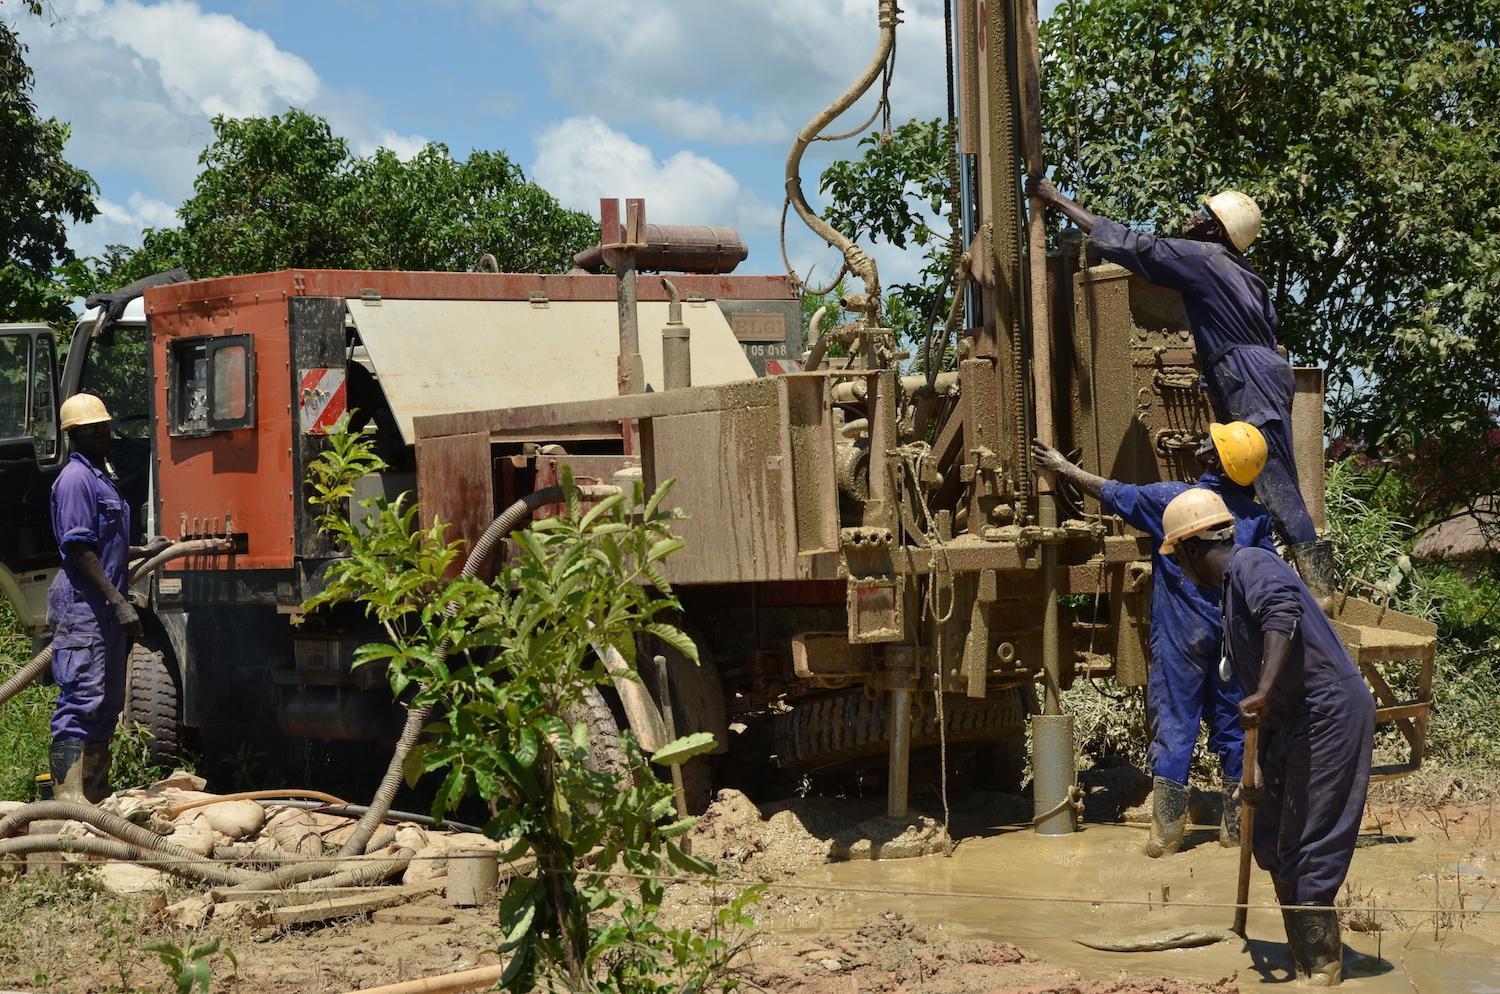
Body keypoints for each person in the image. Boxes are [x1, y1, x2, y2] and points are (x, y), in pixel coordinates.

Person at [1027, 175, 1336, 595]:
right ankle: (1282, 567)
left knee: (1271, 474)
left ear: (1217, 230)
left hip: (1246, 372)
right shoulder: (1249, 276)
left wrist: (1056, 199)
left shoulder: (1204, 257)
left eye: (1204, 215)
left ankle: (1318, 589)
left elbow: (1135, 246)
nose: (1193, 218)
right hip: (1265, 369)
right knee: (1257, 467)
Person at [1033, 421, 1277, 857]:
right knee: (1235, 728)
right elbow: (1266, 576)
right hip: (1233, 639)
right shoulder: (1256, 519)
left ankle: (1165, 838)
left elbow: (1112, 493)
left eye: (1210, 443)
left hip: (1182, 639)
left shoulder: (1174, 501)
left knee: (1175, 726)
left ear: (1211, 458)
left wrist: (1062, 467)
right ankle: (1236, 833)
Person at [1163, 487, 1373, 986]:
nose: (1182, 570)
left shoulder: (1253, 564)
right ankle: (1303, 955)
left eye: (1178, 558)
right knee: (1271, 833)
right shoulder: (1230, 593)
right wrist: (1255, 765)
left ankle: (1321, 970)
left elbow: (1282, 613)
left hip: (1328, 711)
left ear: (1191, 549)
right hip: (1291, 720)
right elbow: (1260, 699)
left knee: (1309, 842)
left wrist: (1262, 689)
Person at [47, 393, 170, 803]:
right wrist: (119, 602)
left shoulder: (101, 478)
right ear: (73, 435)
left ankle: (95, 796)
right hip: (86, 606)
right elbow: (79, 548)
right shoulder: (75, 480)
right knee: (82, 699)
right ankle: (69, 803)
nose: (101, 434)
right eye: (90, 430)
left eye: (103, 427)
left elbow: (103, 544)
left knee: (106, 701)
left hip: (105, 606)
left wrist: (143, 550)